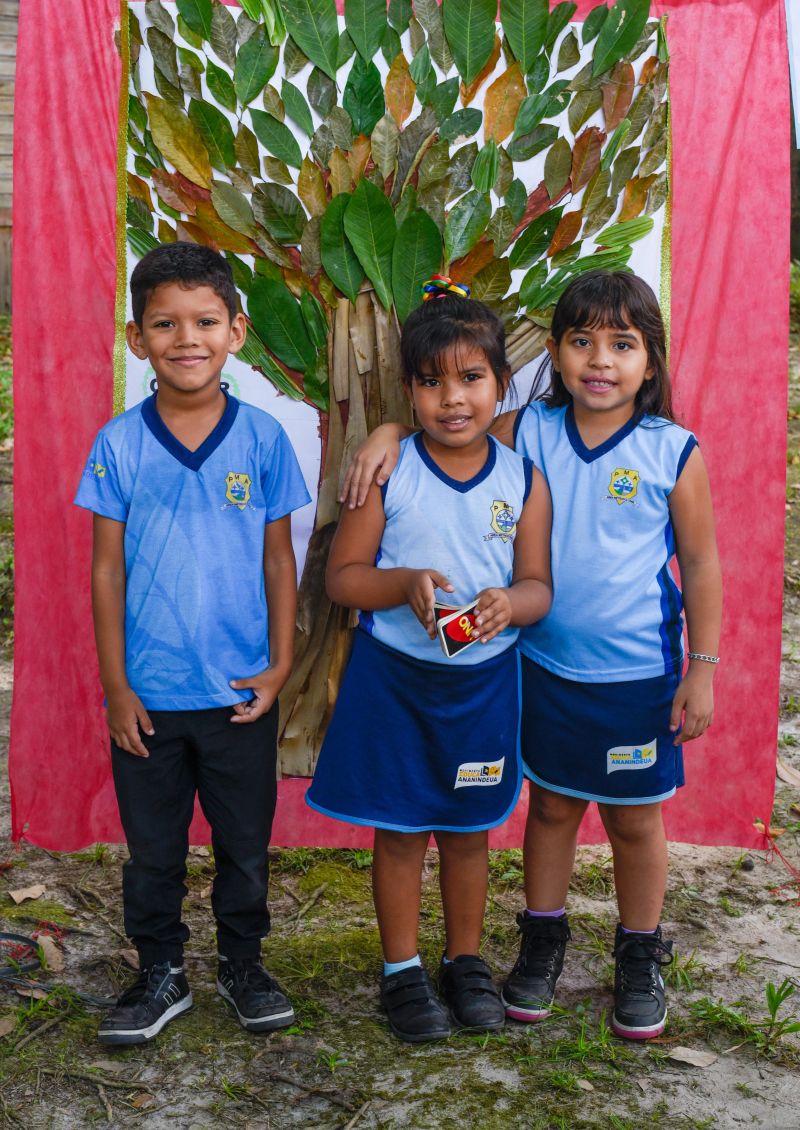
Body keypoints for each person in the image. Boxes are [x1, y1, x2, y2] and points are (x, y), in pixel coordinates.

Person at [340, 270, 722, 1040]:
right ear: (552, 355)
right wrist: (382, 433)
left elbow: (703, 564)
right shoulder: (531, 431)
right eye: (581, 342)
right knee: (547, 807)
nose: (600, 360)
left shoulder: (672, 451)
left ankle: (640, 953)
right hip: (538, 670)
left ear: (652, 359)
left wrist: (702, 667)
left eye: (622, 344)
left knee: (634, 821)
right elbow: (451, 424)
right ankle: (541, 943)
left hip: (637, 675)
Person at [75, 242, 311, 1045]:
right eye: (165, 324)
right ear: (136, 338)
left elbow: (280, 558)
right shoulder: (119, 444)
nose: (187, 339)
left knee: (244, 848)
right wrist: (117, 686)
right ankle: (161, 972)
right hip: (149, 696)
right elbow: (107, 571)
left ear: (236, 330)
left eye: (206, 321)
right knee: (153, 853)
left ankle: (243, 964)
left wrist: (279, 665)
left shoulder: (263, 440)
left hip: (239, 697)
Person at [306, 277, 552, 1043]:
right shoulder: (391, 472)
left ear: (501, 385)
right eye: (431, 382)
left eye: (472, 378)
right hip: (397, 683)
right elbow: (343, 578)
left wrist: (511, 604)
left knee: (469, 830)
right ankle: (402, 971)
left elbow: (540, 585)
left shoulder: (523, 478)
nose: (453, 398)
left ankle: (467, 962)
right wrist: (402, 585)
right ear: (408, 393)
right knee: (403, 831)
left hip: (482, 686)